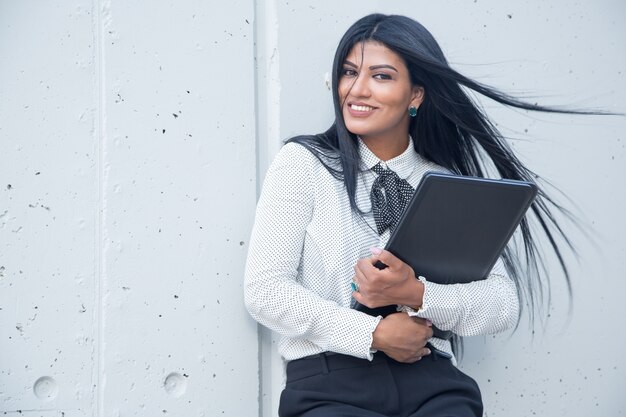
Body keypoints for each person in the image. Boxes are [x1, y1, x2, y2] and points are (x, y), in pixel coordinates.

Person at [244, 13, 583, 417]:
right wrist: (373, 333)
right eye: (349, 72)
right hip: (330, 384)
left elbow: (501, 302)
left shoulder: (445, 182)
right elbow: (265, 290)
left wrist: (416, 294)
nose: (357, 89)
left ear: (416, 95)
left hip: (433, 385)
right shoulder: (305, 163)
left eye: (381, 76)